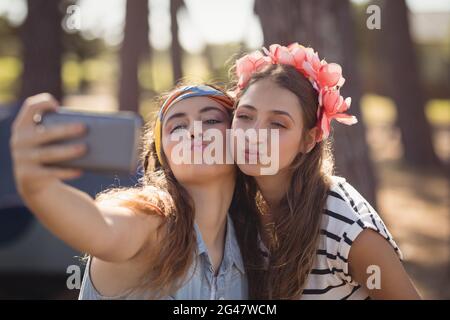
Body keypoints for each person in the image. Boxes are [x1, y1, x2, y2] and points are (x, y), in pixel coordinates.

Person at [10, 85, 249, 299]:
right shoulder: (150, 219)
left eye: (211, 121)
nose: (194, 131)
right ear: (164, 154)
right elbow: (103, 228)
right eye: (177, 126)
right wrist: (42, 190)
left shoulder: (251, 245)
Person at [229, 43, 421, 299]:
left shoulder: (348, 228)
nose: (253, 135)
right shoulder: (235, 205)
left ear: (309, 139)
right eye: (244, 116)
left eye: (277, 124)